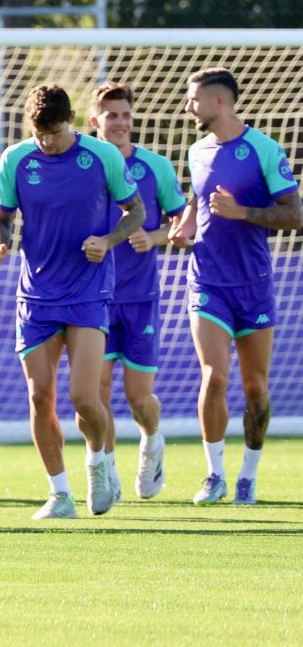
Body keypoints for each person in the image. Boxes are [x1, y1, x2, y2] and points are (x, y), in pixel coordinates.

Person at [0, 85, 143, 521]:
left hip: (87, 291)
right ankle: (59, 494)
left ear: (70, 121)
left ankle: (98, 462)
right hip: (36, 294)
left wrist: (108, 240)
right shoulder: (16, 159)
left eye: (54, 133)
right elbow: (1, 218)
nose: (47, 142)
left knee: (83, 397)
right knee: (40, 397)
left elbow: (136, 211)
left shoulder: (102, 156)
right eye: (39, 134)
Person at [170, 67, 300, 505]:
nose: (188, 107)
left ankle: (248, 475)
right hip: (207, 280)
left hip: (253, 284)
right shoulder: (196, 151)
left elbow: (295, 215)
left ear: (219, 101)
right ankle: (214, 475)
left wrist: (242, 212)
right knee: (214, 375)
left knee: (255, 386)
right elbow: (197, 198)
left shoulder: (264, 149)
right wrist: (186, 226)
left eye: (193, 99)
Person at [85, 83, 188, 500]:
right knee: (96, 392)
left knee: (138, 398)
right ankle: (107, 472)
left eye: (126, 114)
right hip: (93, 298)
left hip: (140, 299)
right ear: (95, 120)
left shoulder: (155, 166)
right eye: (112, 115)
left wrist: (156, 237)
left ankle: (152, 442)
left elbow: (184, 224)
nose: (121, 122)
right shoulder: (84, 165)